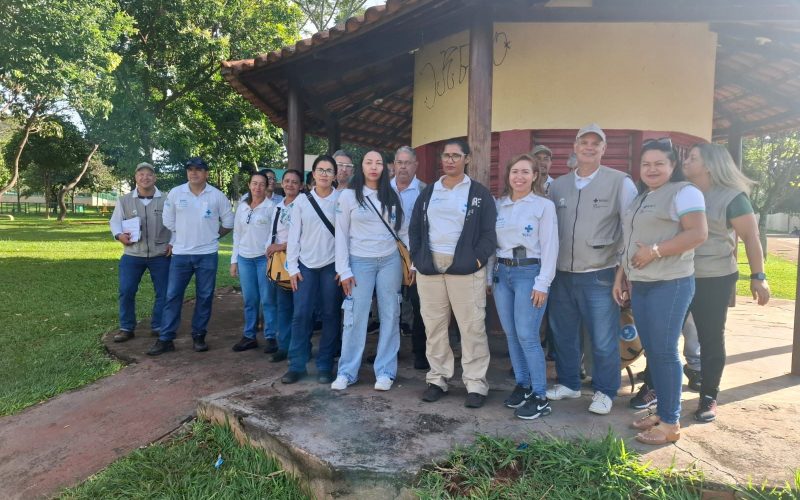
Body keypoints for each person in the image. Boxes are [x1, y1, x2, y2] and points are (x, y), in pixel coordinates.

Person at [613, 137, 707, 444]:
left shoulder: (684, 192)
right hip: (642, 283)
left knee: (665, 352)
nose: (651, 169)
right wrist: (622, 275)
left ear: (672, 166)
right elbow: (630, 242)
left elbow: (698, 233)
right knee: (654, 352)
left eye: (659, 164)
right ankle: (663, 411)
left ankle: (670, 424)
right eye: (646, 164)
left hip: (671, 282)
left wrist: (654, 251)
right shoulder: (643, 196)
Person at [546, 124, 638, 415]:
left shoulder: (620, 182)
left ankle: (605, 390)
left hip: (600, 272)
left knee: (603, 337)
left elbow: (631, 229)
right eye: (583, 142)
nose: (588, 147)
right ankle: (570, 383)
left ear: (603, 149)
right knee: (563, 334)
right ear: (574, 147)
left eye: (595, 143)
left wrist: (624, 274)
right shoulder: (557, 185)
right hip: (561, 274)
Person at [682, 143, 770, 422]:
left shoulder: (732, 197)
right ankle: (654, 386)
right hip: (677, 274)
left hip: (714, 277)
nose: (686, 161)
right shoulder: (682, 191)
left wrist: (758, 277)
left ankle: (709, 395)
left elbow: (751, 239)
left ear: (708, 165)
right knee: (664, 333)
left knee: (710, 337)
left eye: (692, 158)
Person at [410, 138, 497, 408]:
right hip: (431, 267)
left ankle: (475, 383)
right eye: (446, 155)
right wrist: (419, 258)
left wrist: (475, 260)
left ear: (466, 159)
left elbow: (488, 234)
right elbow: (414, 230)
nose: (449, 160)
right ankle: (437, 378)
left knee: (472, 327)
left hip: (466, 267)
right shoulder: (428, 193)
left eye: (456, 156)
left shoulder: (479, 194)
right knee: (434, 326)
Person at [487, 153, 558, 420]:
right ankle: (524, 384)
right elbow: (494, 244)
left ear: (535, 176)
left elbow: (551, 247)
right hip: (502, 272)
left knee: (527, 334)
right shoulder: (500, 205)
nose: (519, 177)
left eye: (526, 172)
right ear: (508, 175)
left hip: (530, 273)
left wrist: (543, 283)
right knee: (511, 334)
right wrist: (489, 277)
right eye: (515, 171)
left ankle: (540, 396)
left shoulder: (543, 206)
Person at [333, 150, 407, 391]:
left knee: (390, 315)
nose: (374, 167)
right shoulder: (348, 196)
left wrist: (411, 262)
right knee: (355, 316)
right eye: (368, 162)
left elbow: (402, 231)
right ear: (361, 167)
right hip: (359, 262)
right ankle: (347, 371)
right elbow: (341, 235)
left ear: (384, 168)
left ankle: (385, 371)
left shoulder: (392, 194)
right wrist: (343, 270)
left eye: (378, 163)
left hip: (389, 261)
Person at [148, 157, 234, 355]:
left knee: (204, 297)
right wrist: (184, 234)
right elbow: (168, 221)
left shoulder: (217, 196)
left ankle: (199, 336)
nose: (194, 173)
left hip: (207, 254)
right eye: (190, 169)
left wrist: (212, 235)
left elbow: (228, 222)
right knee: (172, 296)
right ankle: (166, 338)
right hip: (181, 254)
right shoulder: (177, 193)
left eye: (198, 169)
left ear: (206, 173)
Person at [281, 155, 342, 384]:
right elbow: (294, 237)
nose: (325, 174)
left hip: (331, 267)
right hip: (305, 267)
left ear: (334, 175)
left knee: (330, 315)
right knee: (301, 315)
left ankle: (325, 365)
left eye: (329, 170)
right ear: (313, 174)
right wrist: (293, 268)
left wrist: (343, 267)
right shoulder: (302, 202)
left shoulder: (342, 201)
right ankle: (296, 365)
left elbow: (346, 237)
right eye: (320, 170)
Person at [109, 162, 172, 342]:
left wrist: (173, 243)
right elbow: (115, 222)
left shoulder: (167, 200)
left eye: (149, 174)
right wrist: (119, 235)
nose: (145, 178)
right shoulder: (124, 200)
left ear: (155, 177)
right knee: (126, 290)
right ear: (136, 178)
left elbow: (176, 224)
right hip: (132, 254)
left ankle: (158, 325)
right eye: (141, 174)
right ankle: (126, 327)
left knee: (164, 292)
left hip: (161, 254)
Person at [391, 146, 429, 370]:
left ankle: (420, 352)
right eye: (399, 162)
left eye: (407, 162)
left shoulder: (426, 191)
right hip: (387, 254)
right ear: (393, 165)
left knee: (418, 304)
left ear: (416, 165)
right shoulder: (382, 190)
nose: (403, 166)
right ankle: (389, 351)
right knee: (390, 305)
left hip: (417, 254)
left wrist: (416, 262)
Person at [229, 171, 274, 352]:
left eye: (261, 184)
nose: (257, 187)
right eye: (254, 183)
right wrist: (234, 261)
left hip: (263, 259)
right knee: (250, 300)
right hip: (245, 259)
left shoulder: (271, 208)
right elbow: (237, 234)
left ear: (266, 186)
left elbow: (274, 235)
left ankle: (271, 336)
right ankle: (249, 336)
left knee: (268, 299)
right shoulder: (242, 207)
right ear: (249, 185)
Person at [265, 169, 303, 362]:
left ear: (301, 186)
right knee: (283, 307)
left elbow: (306, 236)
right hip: (280, 263)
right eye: (287, 181)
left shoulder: (304, 206)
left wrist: (281, 246)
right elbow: (273, 234)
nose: (290, 185)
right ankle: (284, 346)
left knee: (301, 309)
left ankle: (301, 347)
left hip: (299, 262)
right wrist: (271, 252)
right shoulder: (278, 207)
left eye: (294, 182)